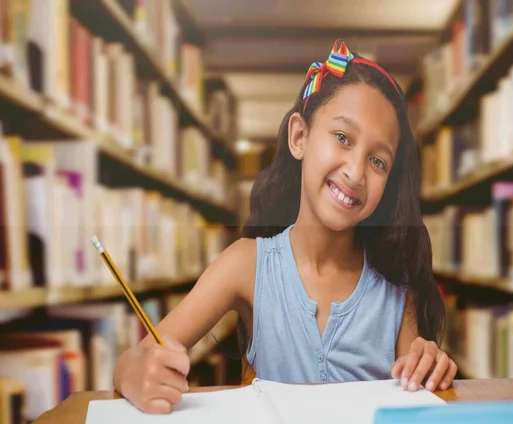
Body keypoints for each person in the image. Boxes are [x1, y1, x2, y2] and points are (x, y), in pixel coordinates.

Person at [112, 40, 457, 414]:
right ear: (299, 137)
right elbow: (138, 358)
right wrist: (133, 372)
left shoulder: (397, 287)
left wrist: (429, 363)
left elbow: (416, 395)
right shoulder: (245, 265)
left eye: (378, 161)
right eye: (342, 138)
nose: (356, 172)